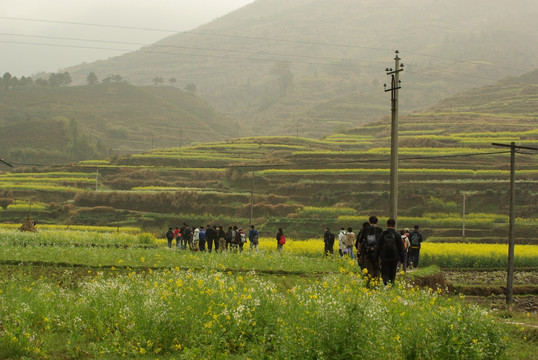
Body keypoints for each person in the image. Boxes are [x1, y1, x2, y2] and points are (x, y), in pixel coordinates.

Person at [376, 218, 405, 286]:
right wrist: (402, 258)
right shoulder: (397, 235)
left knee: (385, 272)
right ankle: (391, 285)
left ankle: (386, 284)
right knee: (392, 272)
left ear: (387, 225)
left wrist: (376, 256)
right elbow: (401, 247)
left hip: (384, 257)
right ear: (394, 225)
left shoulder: (383, 234)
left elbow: (378, 246)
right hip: (394, 257)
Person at [359, 216, 383, 282]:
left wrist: (359, 253)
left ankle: (368, 284)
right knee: (377, 269)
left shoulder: (366, 229)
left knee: (368, 269)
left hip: (367, 252)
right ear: (377, 222)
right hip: (377, 253)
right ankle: (376, 284)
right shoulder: (380, 229)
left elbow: (360, 241)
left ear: (369, 222)